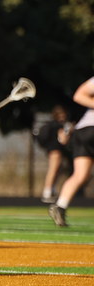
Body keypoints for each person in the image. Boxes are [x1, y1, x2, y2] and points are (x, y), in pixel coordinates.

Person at [48, 79, 94, 227]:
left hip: (84, 130)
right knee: (81, 174)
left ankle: (60, 206)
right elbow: (79, 95)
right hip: (89, 130)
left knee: (81, 175)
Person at [34, 105, 73, 204]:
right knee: (53, 169)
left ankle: (51, 190)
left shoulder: (52, 125)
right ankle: (47, 192)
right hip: (55, 150)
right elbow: (63, 140)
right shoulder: (59, 126)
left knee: (57, 170)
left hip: (52, 150)